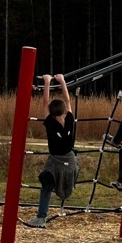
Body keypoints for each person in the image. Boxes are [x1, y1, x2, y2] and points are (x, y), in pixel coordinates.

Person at [27, 73, 79, 228]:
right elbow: (67, 100)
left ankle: (41, 217)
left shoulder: (50, 122)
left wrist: (47, 81)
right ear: (65, 111)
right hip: (70, 161)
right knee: (61, 181)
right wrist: (62, 80)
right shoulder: (69, 119)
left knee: (46, 186)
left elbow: (45, 102)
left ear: (51, 112)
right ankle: (41, 217)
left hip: (55, 161)